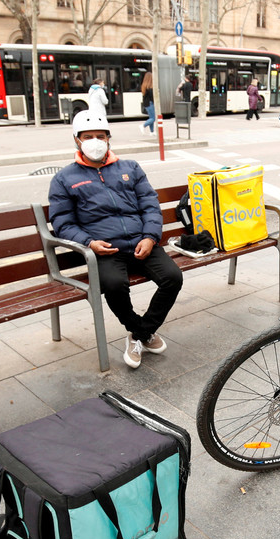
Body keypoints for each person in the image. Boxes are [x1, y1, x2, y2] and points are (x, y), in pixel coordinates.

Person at [48, 111, 183, 369]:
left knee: (173, 278)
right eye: (88, 136)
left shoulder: (130, 168)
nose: (95, 141)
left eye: (100, 136)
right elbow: (62, 223)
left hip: (142, 242)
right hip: (106, 249)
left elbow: (150, 206)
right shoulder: (64, 178)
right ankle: (141, 330)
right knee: (113, 285)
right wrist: (89, 242)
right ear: (77, 140)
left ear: (109, 138)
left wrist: (150, 237)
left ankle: (139, 334)